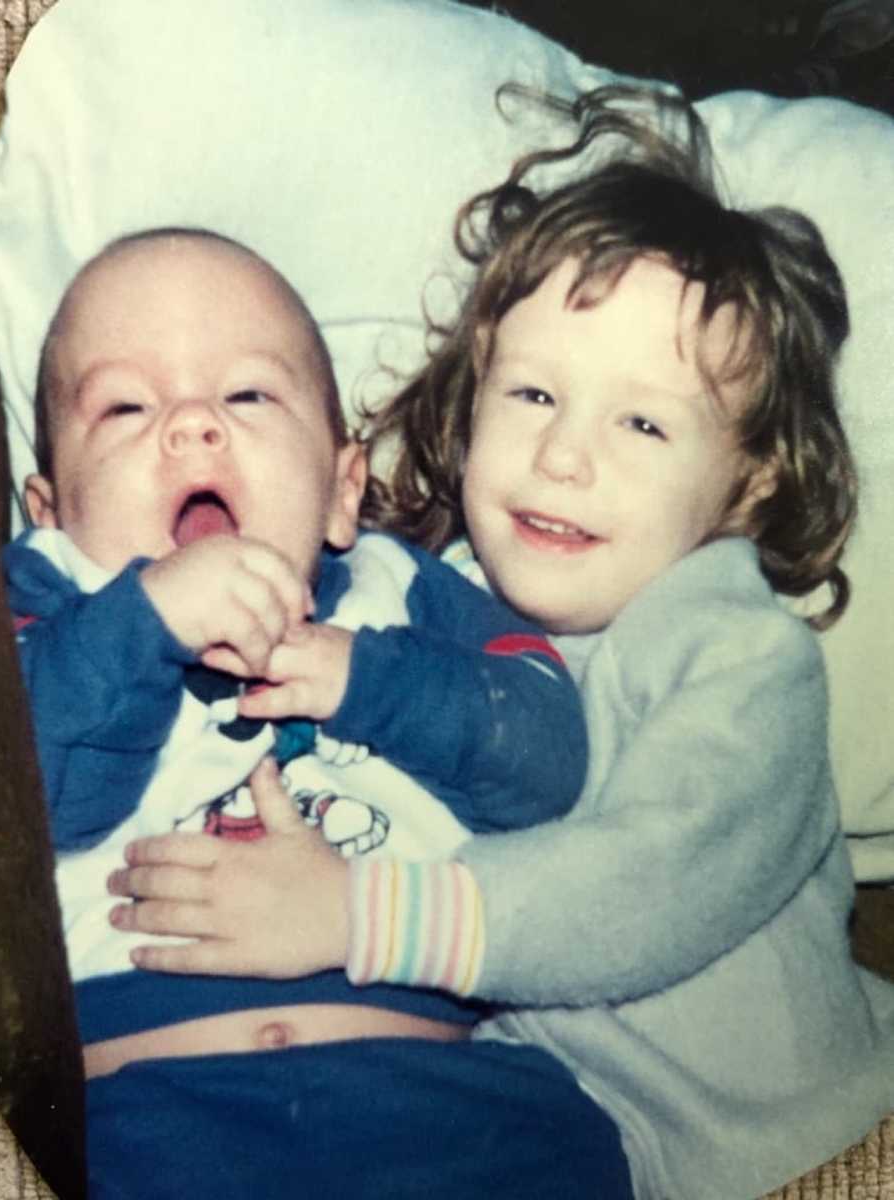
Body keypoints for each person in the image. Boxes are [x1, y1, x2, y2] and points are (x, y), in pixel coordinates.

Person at [111, 87, 894, 1200]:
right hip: (564, 1145)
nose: (566, 457)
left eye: (643, 422)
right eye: (532, 393)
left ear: (749, 480)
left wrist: (351, 914)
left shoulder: (732, 650)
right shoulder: (442, 612)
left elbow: (648, 886)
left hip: (812, 1139)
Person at [4, 227, 620, 1198]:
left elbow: (551, 765)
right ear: (48, 509)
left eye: (247, 394)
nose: (192, 426)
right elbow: (30, 804)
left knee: (571, 1144)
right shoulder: (45, 606)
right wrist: (143, 619)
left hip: (446, 1098)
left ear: (343, 491)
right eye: (125, 406)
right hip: (150, 1119)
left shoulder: (401, 594)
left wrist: (362, 680)